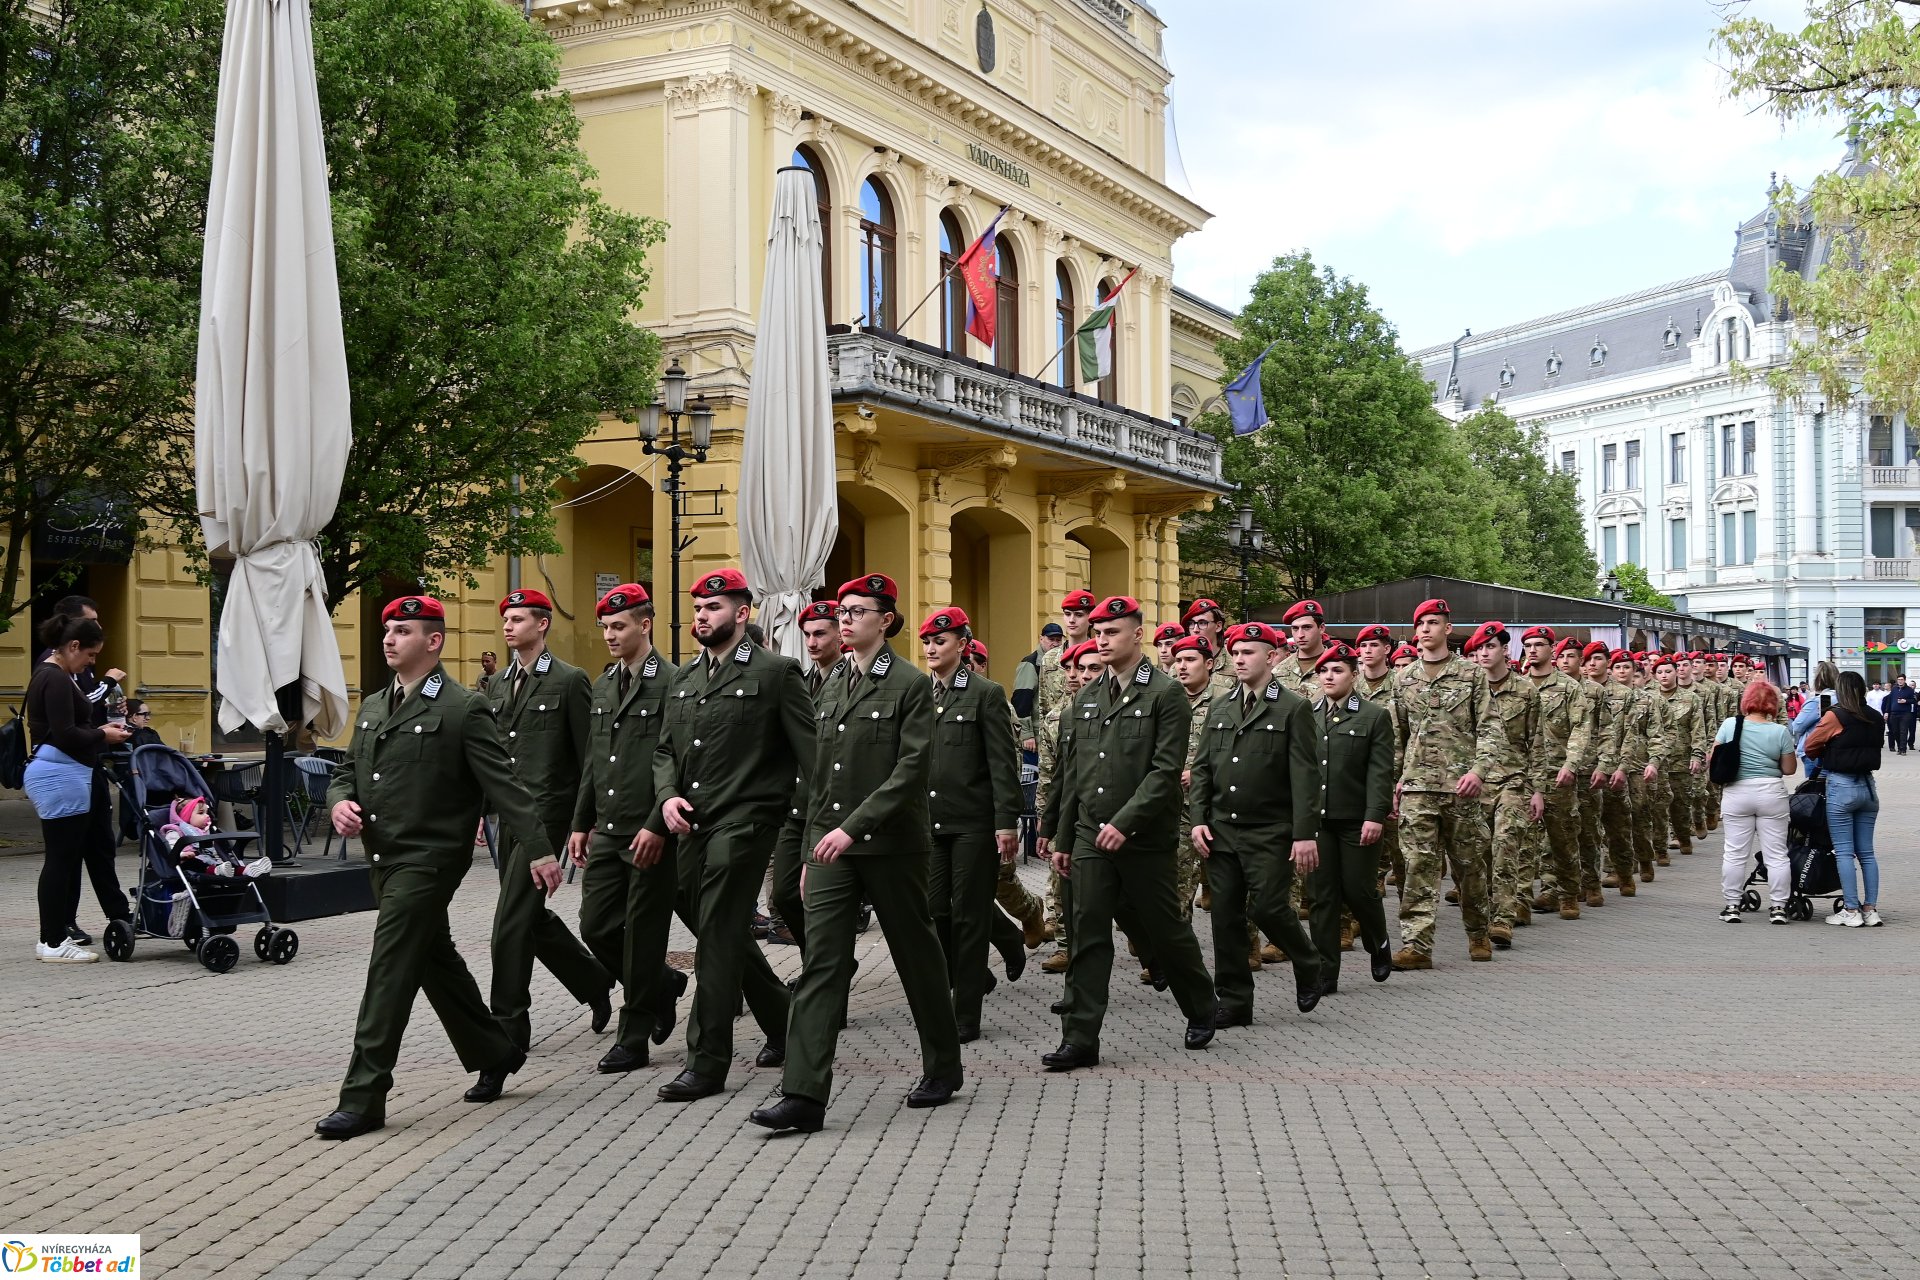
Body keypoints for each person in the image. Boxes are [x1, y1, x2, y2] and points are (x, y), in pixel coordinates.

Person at [317, 596, 556, 1140]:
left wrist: (539, 848)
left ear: (434, 641)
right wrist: (339, 802)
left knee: (391, 966)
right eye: (387, 630)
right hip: (384, 857)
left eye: (402, 630)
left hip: (429, 861)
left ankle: (364, 1095)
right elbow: (347, 771)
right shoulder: (375, 705)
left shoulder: (461, 708)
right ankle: (495, 1049)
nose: (388, 639)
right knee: (432, 959)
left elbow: (505, 785)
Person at [751, 574, 964, 1132]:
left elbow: (911, 770)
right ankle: (803, 1093)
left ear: (884, 620)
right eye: (841, 610)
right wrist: (804, 854)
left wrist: (853, 827)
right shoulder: (827, 683)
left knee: (916, 957)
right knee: (822, 964)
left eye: (856, 610)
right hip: (828, 849)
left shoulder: (912, 685)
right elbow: (814, 776)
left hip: (891, 847)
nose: (844, 619)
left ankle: (943, 1065)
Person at [646, 569, 813, 1104]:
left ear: (743, 613)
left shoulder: (777, 672)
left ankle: (707, 1062)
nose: (701, 616)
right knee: (713, 924)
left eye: (713, 607)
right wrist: (667, 793)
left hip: (749, 819)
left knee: (717, 931)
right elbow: (665, 750)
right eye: (697, 607)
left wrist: (816, 833)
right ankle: (786, 1020)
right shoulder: (686, 678)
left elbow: (814, 758)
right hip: (693, 820)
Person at [1042, 595, 1218, 1070]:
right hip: (1088, 835)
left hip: (1144, 838)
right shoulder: (1086, 696)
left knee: (1165, 930)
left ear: (1137, 635)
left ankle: (1202, 1006)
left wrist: (1126, 822)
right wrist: (1063, 838)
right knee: (1087, 932)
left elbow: (1164, 772)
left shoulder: (1165, 693)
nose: (1101, 640)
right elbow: (1074, 773)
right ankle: (1080, 1038)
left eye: (1111, 632)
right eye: (1097, 633)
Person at [485, 588, 613, 1053]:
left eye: (518, 619)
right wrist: (484, 810)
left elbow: (589, 757)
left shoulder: (569, 680)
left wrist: (589, 820)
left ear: (542, 624)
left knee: (510, 924)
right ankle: (601, 981)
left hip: (550, 816)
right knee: (530, 917)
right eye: (506, 619)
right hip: (509, 818)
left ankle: (509, 1028)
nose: (508, 626)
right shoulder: (497, 685)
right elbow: (492, 758)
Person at [569, 584, 687, 1074]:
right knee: (595, 925)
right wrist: (580, 823)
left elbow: (678, 761)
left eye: (619, 626)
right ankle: (662, 984)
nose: (610, 635)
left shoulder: (675, 683)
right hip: (609, 829)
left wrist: (659, 823)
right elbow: (596, 763)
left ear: (645, 625)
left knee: (642, 934)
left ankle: (633, 1035)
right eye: (605, 627)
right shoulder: (602, 685)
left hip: (649, 831)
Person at [1189, 620, 1326, 1022]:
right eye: (1235, 652)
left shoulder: (1292, 707)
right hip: (1221, 829)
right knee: (1226, 917)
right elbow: (1202, 769)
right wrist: (1198, 818)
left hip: (1269, 829)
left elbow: (1306, 776)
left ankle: (1307, 960)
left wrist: (1304, 835)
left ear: (1271, 656)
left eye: (1248, 652)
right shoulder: (1221, 706)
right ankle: (1234, 1001)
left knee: (1267, 907)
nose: (1240, 658)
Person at [919, 608, 1023, 1042]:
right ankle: (982, 967)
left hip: (974, 824)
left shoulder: (986, 693)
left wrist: (1006, 822)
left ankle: (965, 1014)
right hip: (930, 822)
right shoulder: (919, 693)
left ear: (962, 646)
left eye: (939, 642)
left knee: (968, 915)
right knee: (934, 909)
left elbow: (1002, 762)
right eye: (926, 643)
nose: (930, 650)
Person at [1390, 599, 1500, 969]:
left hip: (1461, 787)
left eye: (1433, 622)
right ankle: (1417, 945)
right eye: (1420, 623)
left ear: (1447, 629)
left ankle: (1478, 932)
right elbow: (1396, 736)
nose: (1425, 629)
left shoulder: (1471, 675)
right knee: (1418, 866)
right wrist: (1395, 783)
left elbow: (1489, 728)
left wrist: (1479, 771)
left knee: (1468, 866)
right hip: (1417, 788)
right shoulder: (1403, 678)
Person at [23, 613, 134, 963]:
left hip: (64, 773)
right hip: (59, 774)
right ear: (72, 646)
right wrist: (104, 734)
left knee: (63, 859)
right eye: (90, 654)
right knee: (60, 861)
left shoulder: (59, 675)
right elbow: (66, 733)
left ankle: (52, 940)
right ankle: (53, 942)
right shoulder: (53, 678)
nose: (92, 661)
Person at [1305, 643, 1395, 989]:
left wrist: (1375, 815)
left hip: (1357, 818)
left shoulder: (1373, 715)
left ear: (1354, 675)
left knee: (1358, 890)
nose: (1329, 676)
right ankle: (1326, 970)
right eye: (1323, 670)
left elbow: (1379, 771)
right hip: (1318, 821)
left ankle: (1378, 942)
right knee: (1321, 894)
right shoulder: (1306, 713)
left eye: (1337, 670)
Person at [767, 600, 844, 950]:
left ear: (840, 634)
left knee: (824, 899)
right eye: (807, 635)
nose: (811, 642)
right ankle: (816, 959)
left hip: (833, 807)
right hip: (796, 805)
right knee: (784, 895)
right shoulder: (799, 679)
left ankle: (825, 969)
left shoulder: (851, 681)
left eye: (820, 634)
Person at [1463, 622, 1546, 949]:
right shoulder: (1467, 689)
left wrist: (1537, 788)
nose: (1484, 653)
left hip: (1513, 781)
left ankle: (1502, 918)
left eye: (1490, 647)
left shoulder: (1526, 691)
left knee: (1506, 848)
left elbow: (1537, 743)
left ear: (1505, 650)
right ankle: (1481, 913)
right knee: (1475, 853)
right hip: (1474, 784)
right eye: (1479, 649)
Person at [1713, 680, 1798, 925]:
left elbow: (1714, 757)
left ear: (1746, 701)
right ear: (1773, 704)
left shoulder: (1730, 725)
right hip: (1771, 793)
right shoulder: (1780, 731)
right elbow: (1789, 769)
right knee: (1777, 855)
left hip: (1737, 793)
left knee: (1735, 853)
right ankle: (1779, 908)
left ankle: (1732, 905)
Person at [1804, 671, 1884, 928]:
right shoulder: (1874, 717)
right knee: (1867, 853)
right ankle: (1870, 909)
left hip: (1841, 785)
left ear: (1840, 691)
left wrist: (1826, 751)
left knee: (1844, 852)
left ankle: (1851, 910)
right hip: (1868, 787)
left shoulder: (1834, 716)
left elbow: (1810, 746)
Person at [1522, 629, 1584, 920]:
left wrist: (1571, 764)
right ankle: (1525, 898)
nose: (1533, 650)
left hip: (1557, 772)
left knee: (1562, 837)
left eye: (1539, 645)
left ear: (1552, 650)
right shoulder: (1517, 686)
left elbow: (1581, 728)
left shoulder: (1569, 687)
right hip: (1524, 774)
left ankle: (1569, 892)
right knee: (1523, 839)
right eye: (1528, 646)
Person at [1169, 634, 1217, 925]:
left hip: (1218, 805)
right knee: (1178, 881)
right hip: (1177, 807)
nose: (1182, 667)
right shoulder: (1167, 698)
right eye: (1178, 661)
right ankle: (1175, 951)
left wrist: (1200, 772)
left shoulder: (1226, 699)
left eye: (1190, 660)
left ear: (1209, 663)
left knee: (1232, 888)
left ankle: (1246, 948)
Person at [1011, 622, 1063, 745]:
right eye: (1051, 639)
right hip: (1036, 734)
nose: (1055, 643)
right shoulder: (1030, 663)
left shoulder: (1061, 662)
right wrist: (1027, 735)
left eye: (1058, 640)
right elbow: (1021, 699)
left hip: (1054, 731)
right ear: (1041, 639)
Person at [1790, 661, 1839, 777]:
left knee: (1815, 790)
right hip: (1836, 750)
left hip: (1815, 750)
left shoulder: (1819, 700)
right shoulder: (1842, 698)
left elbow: (1797, 726)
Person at [1885, 675, 1917, 753]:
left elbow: (1913, 700)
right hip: (1894, 713)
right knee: (1895, 731)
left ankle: (1903, 749)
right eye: (1898, 679)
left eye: (1902, 679)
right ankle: (1899, 746)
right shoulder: (1894, 689)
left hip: (1905, 713)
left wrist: (1905, 701)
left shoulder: (1909, 690)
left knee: (1903, 731)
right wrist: (1886, 712)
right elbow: (1889, 701)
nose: (1900, 681)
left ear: (1904, 680)